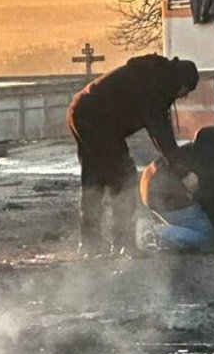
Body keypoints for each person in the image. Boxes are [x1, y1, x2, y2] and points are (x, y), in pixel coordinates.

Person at [67, 54, 199, 253]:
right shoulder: (155, 86)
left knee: (94, 178)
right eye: (185, 91)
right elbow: (161, 133)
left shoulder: (153, 75)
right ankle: (123, 242)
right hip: (97, 120)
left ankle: (90, 243)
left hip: (81, 110)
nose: (182, 96)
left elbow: (160, 131)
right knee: (124, 177)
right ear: (181, 83)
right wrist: (183, 172)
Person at [139, 116, 214, 250]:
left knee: (195, 230)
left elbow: (212, 189)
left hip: (153, 186)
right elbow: (209, 194)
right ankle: (155, 233)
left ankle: (161, 233)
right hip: (167, 193)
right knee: (206, 238)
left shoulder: (211, 145)